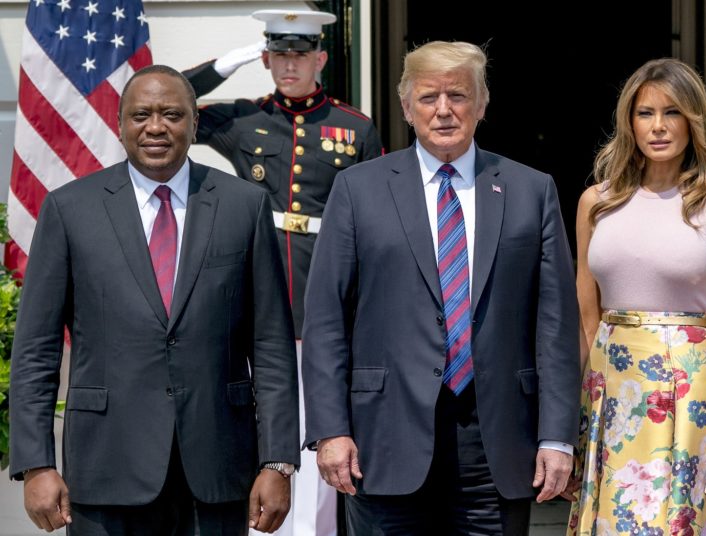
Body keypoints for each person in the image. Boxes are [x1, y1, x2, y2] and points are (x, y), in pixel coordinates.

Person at [301, 41, 580, 534]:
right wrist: (330, 430)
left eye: (458, 95)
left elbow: (554, 325)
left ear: (482, 104)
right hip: (381, 440)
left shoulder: (530, 190)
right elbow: (326, 319)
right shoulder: (357, 190)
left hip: (496, 441)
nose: (444, 110)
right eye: (429, 98)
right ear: (407, 107)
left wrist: (557, 437)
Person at [9, 65, 299, 534]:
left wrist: (278, 461)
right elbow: (35, 350)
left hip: (218, 471)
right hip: (106, 470)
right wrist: (36, 463)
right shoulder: (69, 210)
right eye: (141, 115)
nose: (156, 127)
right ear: (120, 124)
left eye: (172, 114)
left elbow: (270, 345)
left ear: (194, 123)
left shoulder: (244, 205)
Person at [182, 10, 384, 535]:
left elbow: (372, 216)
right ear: (267, 58)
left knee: (320, 425)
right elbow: (171, 100)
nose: (288, 66)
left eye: (300, 55)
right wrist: (230, 63)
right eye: (278, 56)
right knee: (258, 421)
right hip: (256, 289)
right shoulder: (241, 120)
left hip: (323, 293)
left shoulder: (354, 126)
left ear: (319, 58)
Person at [568, 58, 706, 535]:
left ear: (693, 120)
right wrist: (576, 425)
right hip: (609, 391)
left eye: (671, 113)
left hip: (692, 393)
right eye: (644, 113)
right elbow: (585, 321)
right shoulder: (596, 201)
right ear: (628, 122)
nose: (657, 126)